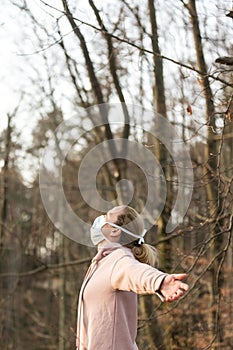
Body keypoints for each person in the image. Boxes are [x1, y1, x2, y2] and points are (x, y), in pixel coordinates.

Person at [76, 205, 189, 350]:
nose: (100, 219)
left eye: (106, 216)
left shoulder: (120, 260)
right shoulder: (101, 263)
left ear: (115, 231)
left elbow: (137, 272)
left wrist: (160, 281)